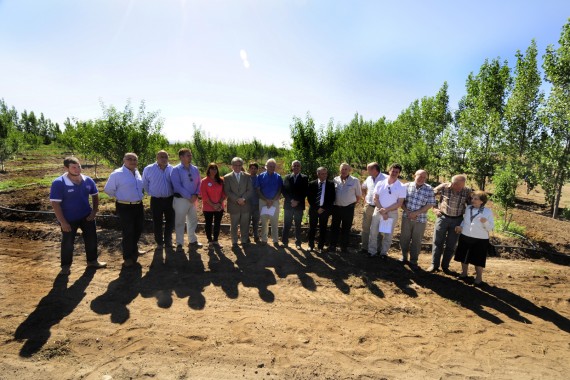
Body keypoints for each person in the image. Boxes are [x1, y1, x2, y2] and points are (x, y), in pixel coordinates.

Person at [50, 157, 106, 275]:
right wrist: (63, 222)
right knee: (68, 242)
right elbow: (55, 204)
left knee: (91, 239)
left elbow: (95, 195)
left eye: (79, 166)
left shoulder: (87, 180)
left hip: (87, 216)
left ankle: (92, 261)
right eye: (73, 167)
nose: (77, 169)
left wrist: (94, 212)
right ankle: (65, 266)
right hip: (69, 219)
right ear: (66, 168)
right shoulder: (59, 183)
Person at [104, 152, 145, 267]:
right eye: (129, 159)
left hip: (138, 205)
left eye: (135, 159)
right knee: (128, 231)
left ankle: (134, 249)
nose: (132, 161)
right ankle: (127, 257)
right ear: (124, 160)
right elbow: (108, 190)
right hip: (124, 206)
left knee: (139, 228)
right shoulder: (117, 174)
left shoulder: (136, 172)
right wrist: (120, 196)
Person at [429, 174, 472, 273]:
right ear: (452, 183)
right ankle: (434, 265)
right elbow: (430, 195)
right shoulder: (443, 187)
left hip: (457, 220)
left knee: (451, 245)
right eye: (457, 185)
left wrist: (465, 221)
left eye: (461, 186)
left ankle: (445, 267)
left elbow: (471, 205)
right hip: (443, 217)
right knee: (437, 242)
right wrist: (435, 208)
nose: (459, 188)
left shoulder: (467, 190)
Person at [454, 190, 494, 285]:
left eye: (476, 199)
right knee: (463, 257)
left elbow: (490, 227)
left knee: (478, 260)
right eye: (472, 198)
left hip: (480, 239)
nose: (473, 200)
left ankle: (479, 278)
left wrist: (485, 222)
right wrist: (461, 226)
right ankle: (464, 273)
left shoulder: (487, 212)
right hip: (465, 236)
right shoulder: (468, 208)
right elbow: (465, 220)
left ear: (482, 201)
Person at [400, 169, 436, 269]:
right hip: (406, 217)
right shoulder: (406, 186)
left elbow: (430, 204)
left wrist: (416, 213)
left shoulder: (429, 189)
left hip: (421, 219)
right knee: (404, 238)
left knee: (417, 240)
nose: (422, 179)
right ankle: (403, 257)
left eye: (424, 177)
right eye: (420, 176)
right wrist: (408, 211)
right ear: (414, 175)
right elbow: (400, 201)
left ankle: (413, 260)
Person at [368, 163, 406, 259]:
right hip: (378, 210)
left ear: (399, 173)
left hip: (392, 213)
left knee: (388, 234)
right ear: (389, 171)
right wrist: (382, 210)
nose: (394, 173)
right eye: (393, 171)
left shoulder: (401, 186)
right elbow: (375, 198)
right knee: (373, 232)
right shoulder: (380, 183)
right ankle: (372, 251)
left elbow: (399, 203)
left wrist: (386, 210)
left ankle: (383, 253)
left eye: (396, 172)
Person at [171, 148, 202, 252]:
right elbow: (177, 186)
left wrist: (196, 194)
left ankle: (192, 240)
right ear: (181, 157)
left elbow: (199, 183)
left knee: (192, 220)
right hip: (181, 200)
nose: (190, 157)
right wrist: (189, 196)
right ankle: (179, 243)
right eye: (188, 155)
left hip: (193, 199)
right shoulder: (176, 170)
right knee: (180, 221)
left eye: (190, 155)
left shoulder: (195, 169)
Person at [142, 150, 174, 250]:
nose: (164, 159)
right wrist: (151, 193)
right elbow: (145, 183)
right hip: (156, 200)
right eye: (161, 157)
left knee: (170, 220)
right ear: (157, 157)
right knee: (157, 221)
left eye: (166, 157)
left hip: (170, 199)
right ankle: (159, 242)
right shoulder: (149, 169)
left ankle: (168, 240)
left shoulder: (172, 169)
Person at [330, 163, 362, 252]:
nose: (343, 171)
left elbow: (358, 195)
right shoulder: (335, 180)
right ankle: (332, 246)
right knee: (334, 227)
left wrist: (351, 205)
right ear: (339, 170)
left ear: (349, 170)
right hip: (336, 208)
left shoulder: (355, 181)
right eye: (342, 169)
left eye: (345, 169)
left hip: (348, 208)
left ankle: (343, 247)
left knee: (346, 228)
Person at [223, 157, 253, 247]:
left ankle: (244, 240)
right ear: (232, 166)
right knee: (234, 225)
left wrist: (243, 199)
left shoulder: (247, 176)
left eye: (239, 165)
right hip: (233, 204)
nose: (238, 167)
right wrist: (237, 199)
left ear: (241, 166)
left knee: (244, 224)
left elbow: (250, 190)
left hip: (245, 204)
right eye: (235, 165)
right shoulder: (227, 177)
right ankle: (234, 241)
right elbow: (227, 191)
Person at [306, 167, 335, 252]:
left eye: (325, 174)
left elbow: (332, 198)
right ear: (317, 174)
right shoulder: (312, 184)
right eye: (322, 174)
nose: (324, 175)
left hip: (324, 211)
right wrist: (316, 208)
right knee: (312, 228)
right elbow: (309, 198)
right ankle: (311, 246)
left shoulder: (330, 184)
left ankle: (320, 247)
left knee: (323, 228)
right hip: (314, 210)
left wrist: (323, 208)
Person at [281, 160, 308, 249]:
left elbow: (305, 192)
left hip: (299, 206)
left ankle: (298, 243)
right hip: (289, 205)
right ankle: (285, 242)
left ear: (300, 168)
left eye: (298, 166)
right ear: (291, 167)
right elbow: (284, 190)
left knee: (298, 225)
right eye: (294, 166)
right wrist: (291, 200)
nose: (296, 167)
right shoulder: (287, 177)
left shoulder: (304, 178)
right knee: (287, 224)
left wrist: (297, 201)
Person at [360, 162, 386, 254]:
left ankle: (378, 249)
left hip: (380, 208)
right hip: (369, 206)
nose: (367, 171)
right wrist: (364, 197)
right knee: (365, 227)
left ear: (374, 169)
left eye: (368, 169)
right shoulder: (368, 178)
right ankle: (364, 248)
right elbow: (363, 187)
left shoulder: (385, 178)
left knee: (379, 229)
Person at [257, 158, 283, 246]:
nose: (271, 167)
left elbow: (280, 190)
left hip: (274, 201)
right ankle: (264, 239)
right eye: (270, 166)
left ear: (275, 167)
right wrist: (266, 200)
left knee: (274, 221)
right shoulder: (260, 176)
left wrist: (272, 200)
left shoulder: (278, 177)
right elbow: (258, 190)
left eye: (273, 166)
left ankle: (275, 240)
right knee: (264, 221)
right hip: (263, 201)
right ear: (266, 166)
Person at [200, 163, 226, 248]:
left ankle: (215, 240)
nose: (214, 170)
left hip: (219, 207)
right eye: (212, 168)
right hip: (208, 207)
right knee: (208, 224)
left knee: (217, 223)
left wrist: (218, 204)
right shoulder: (204, 181)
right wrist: (213, 205)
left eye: (215, 169)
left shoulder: (221, 180)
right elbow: (204, 195)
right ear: (209, 170)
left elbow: (224, 193)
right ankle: (209, 240)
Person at [248, 162, 261, 242]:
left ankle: (256, 236)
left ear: (257, 169)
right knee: (247, 221)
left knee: (256, 221)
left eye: (255, 168)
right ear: (249, 169)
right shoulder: (246, 178)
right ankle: (246, 236)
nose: (253, 170)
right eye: (252, 168)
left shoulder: (259, 178)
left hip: (257, 203)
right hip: (247, 204)